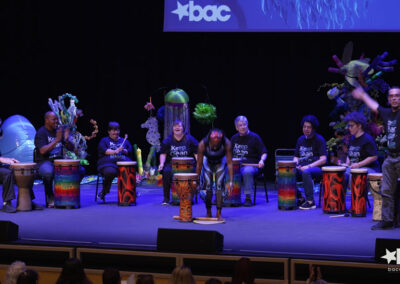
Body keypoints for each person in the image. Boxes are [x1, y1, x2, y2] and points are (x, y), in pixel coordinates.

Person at [352, 86, 400, 230]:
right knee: (386, 190)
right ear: (388, 99)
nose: (394, 98)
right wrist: (362, 95)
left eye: (397, 96)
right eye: (391, 96)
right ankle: (387, 220)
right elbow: (375, 106)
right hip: (390, 158)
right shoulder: (386, 113)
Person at [34, 111, 85, 208]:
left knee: (81, 170)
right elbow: (42, 151)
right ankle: (50, 196)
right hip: (44, 161)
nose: (56, 121)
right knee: (48, 173)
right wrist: (56, 140)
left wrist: (66, 139)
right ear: (47, 120)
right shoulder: (41, 132)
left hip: (59, 161)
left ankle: (65, 192)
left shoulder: (59, 131)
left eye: (57, 119)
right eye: (54, 119)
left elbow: (72, 149)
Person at [158, 120, 198, 205]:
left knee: (194, 173)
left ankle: (190, 197)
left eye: (179, 126)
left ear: (183, 128)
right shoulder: (167, 140)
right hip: (172, 164)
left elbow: (196, 153)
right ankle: (166, 198)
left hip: (187, 165)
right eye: (175, 126)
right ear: (172, 129)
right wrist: (161, 164)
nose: (177, 128)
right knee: (166, 172)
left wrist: (199, 165)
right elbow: (163, 154)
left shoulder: (190, 139)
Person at [196, 128, 233, 221]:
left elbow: (229, 163)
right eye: (214, 138)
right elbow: (199, 164)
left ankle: (218, 213)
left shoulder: (227, 143)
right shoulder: (202, 144)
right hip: (207, 162)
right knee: (208, 186)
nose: (216, 140)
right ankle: (208, 211)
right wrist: (196, 180)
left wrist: (231, 181)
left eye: (218, 138)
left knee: (219, 185)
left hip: (220, 162)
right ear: (210, 138)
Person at [230, 116, 267, 206]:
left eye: (244, 124)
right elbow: (229, 153)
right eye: (240, 125)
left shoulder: (255, 137)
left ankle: (248, 197)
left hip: (252, 166)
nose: (243, 127)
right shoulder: (234, 139)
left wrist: (262, 160)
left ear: (247, 125)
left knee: (247, 171)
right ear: (236, 127)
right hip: (237, 166)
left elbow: (264, 152)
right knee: (224, 169)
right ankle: (229, 197)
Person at [294, 115, 327, 210]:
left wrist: (308, 166)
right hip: (302, 167)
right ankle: (300, 198)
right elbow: (296, 156)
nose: (306, 129)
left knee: (306, 172)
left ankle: (310, 201)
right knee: (288, 171)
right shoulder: (300, 139)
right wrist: (295, 165)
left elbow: (323, 159)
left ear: (313, 128)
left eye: (309, 127)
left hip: (316, 168)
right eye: (304, 127)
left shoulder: (319, 140)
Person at [341, 111, 379, 187]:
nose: (349, 128)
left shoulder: (367, 139)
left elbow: (374, 157)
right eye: (349, 126)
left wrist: (358, 165)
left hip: (369, 169)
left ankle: (356, 197)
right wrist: (347, 164)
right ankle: (340, 197)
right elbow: (350, 154)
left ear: (359, 126)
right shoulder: (352, 138)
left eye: (352, 126)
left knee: (354, 174)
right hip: (355, 168)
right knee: (340, 174)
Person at [97, 121, 133, 201]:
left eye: (117, 130)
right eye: (113, 130)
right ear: (109, 131)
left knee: (128, 170)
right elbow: (105, 151)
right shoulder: (104, 140)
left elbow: (129, 151)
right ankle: (104, 191)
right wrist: (115, 151)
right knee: (110, 172)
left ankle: (129, 192)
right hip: (108, 164)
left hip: (122, 163)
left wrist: (123, 150)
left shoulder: (125, 141)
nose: (115, 132)